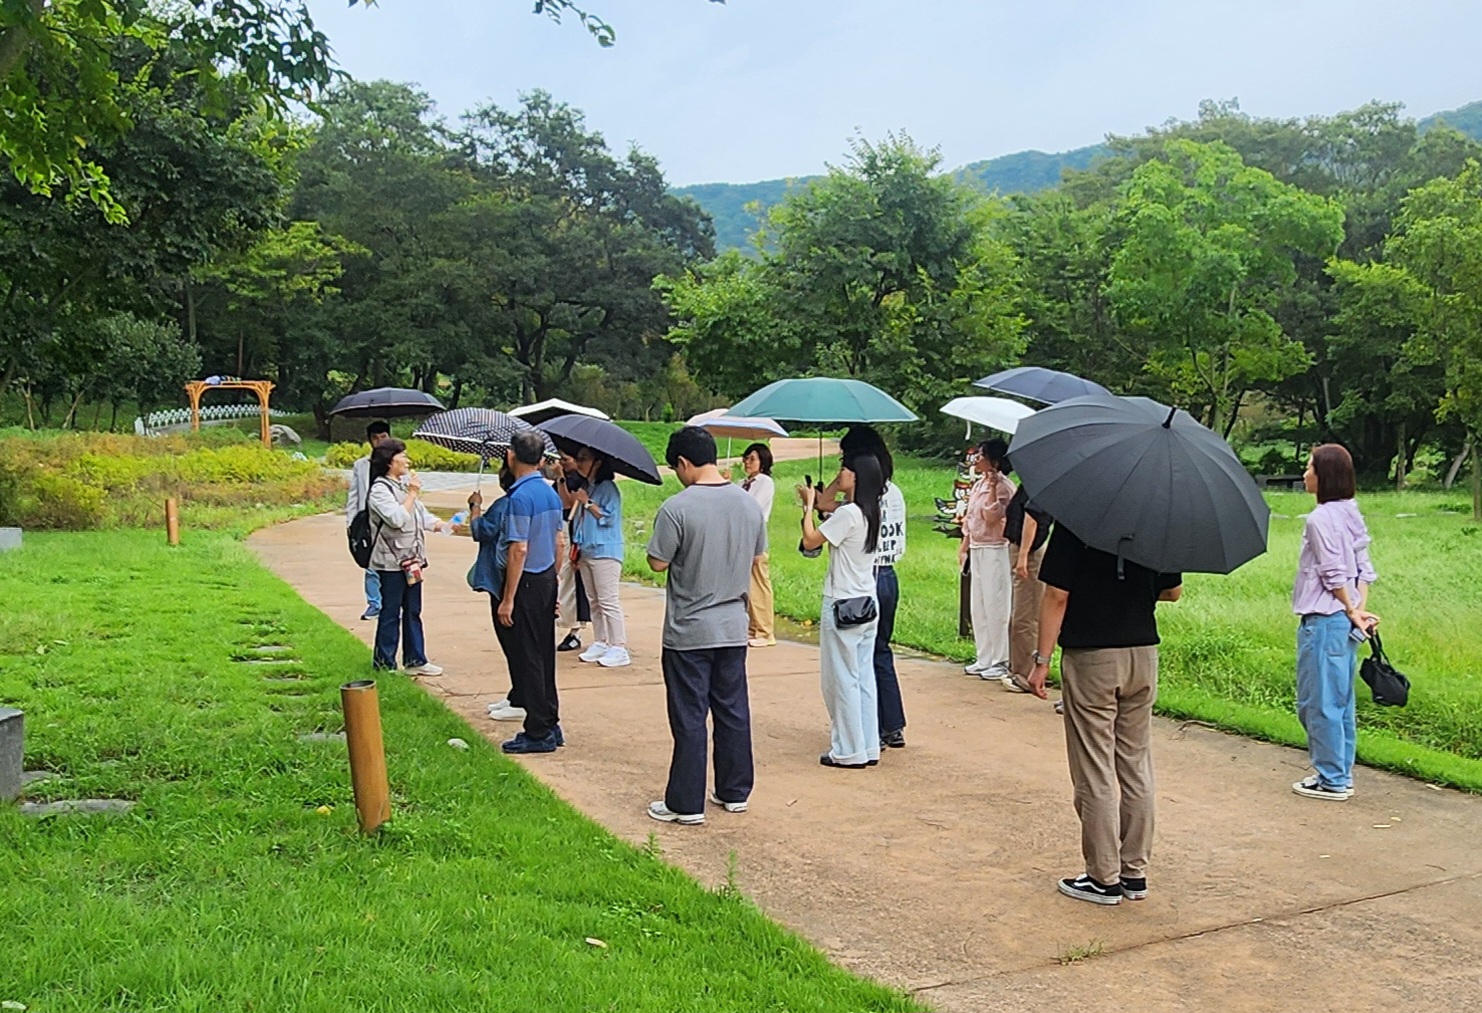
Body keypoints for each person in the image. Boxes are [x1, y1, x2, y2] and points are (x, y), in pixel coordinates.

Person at [1027, 526, 1183, 906]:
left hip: (1093, 653)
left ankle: (1103, 876)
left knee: (1094, 765)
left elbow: (1057, 596)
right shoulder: (1156, 523)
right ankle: (1134, 870)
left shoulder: (1076, 523)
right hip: (1143, 652)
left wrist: (1041, 660)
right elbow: (1172, 591)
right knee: (1135, 762)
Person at [645, 427, 768, 824]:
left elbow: (657, 562)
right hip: (733, 625)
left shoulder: (677, 508)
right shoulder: (748, 504)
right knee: (732, 710)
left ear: (683, 463)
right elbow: (756, 556)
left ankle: (686, 802)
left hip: (688, 630)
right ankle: (734, 791)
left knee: (690, 715)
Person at [1291, 443, 1379, 801]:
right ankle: (1340, 771)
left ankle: (1331, 779)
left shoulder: (1320, 519)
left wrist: (1348, 607)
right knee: (1341, 701)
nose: (1305, 474)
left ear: (1324, 475)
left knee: (1317, 701)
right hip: (1344, 623)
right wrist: (1358, 609)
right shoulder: (1350, 512)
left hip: (1324, 620)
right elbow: (1364, 568)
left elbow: (1332, 571)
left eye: (1310, 468)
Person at [821, 426, 909, 749]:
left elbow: (823, 504)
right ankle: (891, 725)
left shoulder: (858, 503)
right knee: (880, 652)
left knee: (855, 660)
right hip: (888, 575)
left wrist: (833, 485)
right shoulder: (893, 492)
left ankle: (860, 730)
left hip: (861, 577)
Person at [801, 452, 885, 769]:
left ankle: (848, 749)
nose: (841, 474)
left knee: (840, 679)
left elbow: (810, 541)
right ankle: (867, 744)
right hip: (866, 599)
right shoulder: (870, 511)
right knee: (863, 677)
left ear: (857, 477)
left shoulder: (849, 513)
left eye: (846, 470)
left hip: (842, 602)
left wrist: (809, 507)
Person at [493, 430, 566, 754]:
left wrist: (508, 598)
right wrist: (555, 579)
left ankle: (538, 731)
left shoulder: (519, 498)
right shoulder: (550, 493)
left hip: (526, 580)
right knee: (544, 654)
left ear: (511, 456)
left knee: (528, 657)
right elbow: (559, 541)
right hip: (546, 577)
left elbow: (518, 549)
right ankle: (550, 720)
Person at [365, 438, 444, 676]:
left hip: (412, 560)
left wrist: (441, 525)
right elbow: (397, 518)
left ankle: (415, 659)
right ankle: (384, 662)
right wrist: (411, 492)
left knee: (413, 610)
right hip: (391, 562)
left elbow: (420, 515)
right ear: (390, 461)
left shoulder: (401, 486)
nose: (407, 460)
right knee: (391, 611)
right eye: (403, 456)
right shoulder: (380, 490)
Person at [468, 467, 527, 723]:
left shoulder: (505, 504)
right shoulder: (526, 500)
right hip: (521, 579)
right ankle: (516, 693)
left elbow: (481, 531)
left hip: (502, 579)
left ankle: (522, 697)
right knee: (515, 642)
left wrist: (475, 508)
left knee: (511, 640)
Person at [960, 438, 1016, 681]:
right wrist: (965, 547)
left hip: (995, 548)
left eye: (982, 455)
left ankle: (1000, 658)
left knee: (996, 604)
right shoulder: (978, 484)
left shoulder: (1004, 487)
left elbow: (992, 516)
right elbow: (970, 518)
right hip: (978, 546)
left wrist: (994, 486)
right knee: (979, 604)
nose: (977, 459)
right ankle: (984, 656)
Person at [572, 446, 630, 668]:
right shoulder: (589, 487)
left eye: (584, 459)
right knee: (594, 601)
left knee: (608, 600)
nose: (579, 463)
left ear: (598, 463)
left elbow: (609, 518)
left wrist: (587, 503)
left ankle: (619, 646)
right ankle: (601, 640)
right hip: (587, 549)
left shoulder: (608, 489)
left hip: (605, 550)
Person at [1002, 482, 1054, 695]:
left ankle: (1024, 674)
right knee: (1020, 614)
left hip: (1030, 552)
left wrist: (1023, 555)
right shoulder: (1030, 484)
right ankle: (1017, 668)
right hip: (1020, 547)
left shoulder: (1040, 486)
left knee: (1026, 613)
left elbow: (1033, 519)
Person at [346, 420, 391, 620]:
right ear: (369, 441)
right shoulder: (361, 465)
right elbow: (354, 495)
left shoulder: (397, 464)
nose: (380, 442)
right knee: (370, 561)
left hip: (391, 520)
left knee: (391, 565)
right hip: (367, 520)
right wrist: (351, 522)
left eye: (383, 437)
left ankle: (391, 602)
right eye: (375, 438)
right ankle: (374, 603)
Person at [552, 452, 591, 653]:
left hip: (570, 529)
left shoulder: (576, 480)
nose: (561, 463)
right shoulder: (568, 478)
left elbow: (568, 504)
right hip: (559, 529)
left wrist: (560, 478)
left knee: (569, 581)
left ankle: (575, 630)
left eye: (565, 459)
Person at [739, 442, 777, 648]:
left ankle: (765, 630)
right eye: (746, 458)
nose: (747, 462)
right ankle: (754, 628)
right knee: (748, 585)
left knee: (759, 582)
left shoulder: (764, 482)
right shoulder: (745, 482)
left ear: (763, 462)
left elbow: (751, 507)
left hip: (755, 535)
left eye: (752, 458)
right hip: (743, 536)